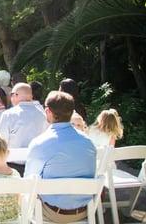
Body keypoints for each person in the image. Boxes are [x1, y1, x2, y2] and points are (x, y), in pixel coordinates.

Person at [25, 91, 96, 223]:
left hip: (51, 213)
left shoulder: (40, 144)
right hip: (84, 211)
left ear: (48, 111)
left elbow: (29, 182)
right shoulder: (89, 143)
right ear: (71, 111)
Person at [0, 83, 48, 175]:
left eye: (12, 94)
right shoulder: (43, 115)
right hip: (37, 167)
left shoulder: (8, 115)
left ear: (16, 95)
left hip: (13, 166)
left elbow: (1, 141)